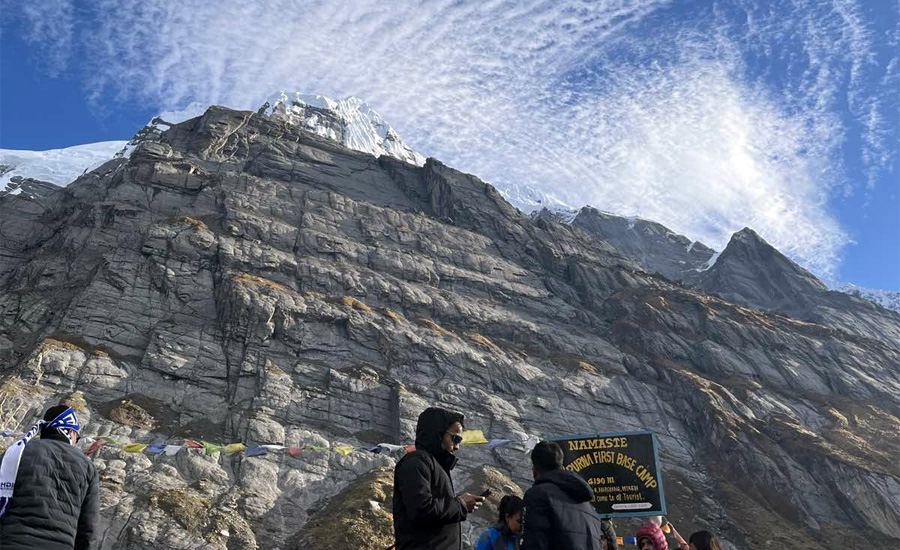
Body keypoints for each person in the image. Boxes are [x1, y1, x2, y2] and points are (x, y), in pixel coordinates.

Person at [0, 405, 99, 550]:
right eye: (76, 437)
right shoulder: (87, 466)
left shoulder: (16, 452)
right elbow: (88, 527)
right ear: (70, 432)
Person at [392, 407, 484, 550]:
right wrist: (460, 504)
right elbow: (421, 510)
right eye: (455, 438)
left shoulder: (435, 465)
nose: (457, 447)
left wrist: (459, 505)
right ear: (437, 435)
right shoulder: (416, 462)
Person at [520, 441, 604, 550]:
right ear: (562, 465)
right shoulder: (589, 508)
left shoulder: (538, 496)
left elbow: (535, 544)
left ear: (534, 470)